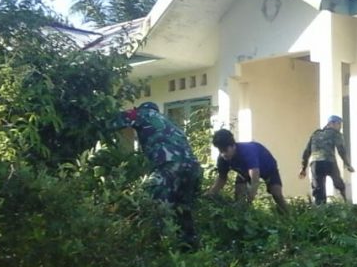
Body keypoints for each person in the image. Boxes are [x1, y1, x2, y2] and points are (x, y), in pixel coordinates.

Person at [111, 101, 202, 250]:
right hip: (192, 167)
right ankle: (190, 250)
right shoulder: (169, 122)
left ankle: (160, 248)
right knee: (183, 208)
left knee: (159, 206)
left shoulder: (142, 113)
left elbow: (114, 120)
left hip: (169, 164)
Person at [206, 129, 289, 214]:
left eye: (225, 150)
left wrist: (250, 198)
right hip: (244, 172)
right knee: (239, 197)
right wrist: (211, 193)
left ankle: (289, 218)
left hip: (267, 168)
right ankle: (240, 217)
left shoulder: (247, 152)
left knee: (276, 194)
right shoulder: (222, 159)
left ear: (233, 146)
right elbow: (222, 178)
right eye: (220, 151)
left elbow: (255, 179)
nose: (223, 154)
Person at [299, 114, 354, 205]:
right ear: (331, 123)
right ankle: (345, 204)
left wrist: (303, 168)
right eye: (339, 124)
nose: (340, 127)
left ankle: (320, 210)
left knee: (318, 189)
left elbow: (306, 152)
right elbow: (341, 150)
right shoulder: (335, 133)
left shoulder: (315, 134)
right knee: (339, 184)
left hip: (315, 164)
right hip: (329, 162)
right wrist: (348, 164)